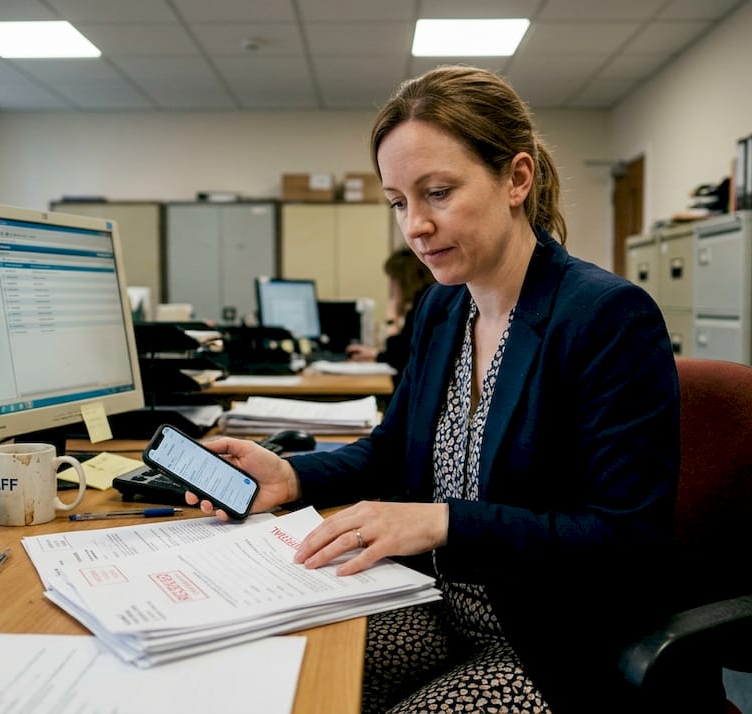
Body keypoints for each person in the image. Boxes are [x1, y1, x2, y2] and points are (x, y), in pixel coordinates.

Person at [196, 66, 680, 712]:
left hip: (552, 644)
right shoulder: (442, 310)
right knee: (285, 681)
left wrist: (446, 522)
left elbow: (624, 540)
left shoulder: (606, 318)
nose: (415, 225)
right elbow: (395, 450)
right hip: (439, 605)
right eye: (399, 202)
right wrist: (292, 477)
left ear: (516, 178)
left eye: (438, 193)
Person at [346, 247, 436, 382]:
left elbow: (400, 357)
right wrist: (375, 354)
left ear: (403, 279)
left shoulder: (423, 304)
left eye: (394, 280)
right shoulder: (429, 299)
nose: (392, 287)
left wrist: (392, 318)